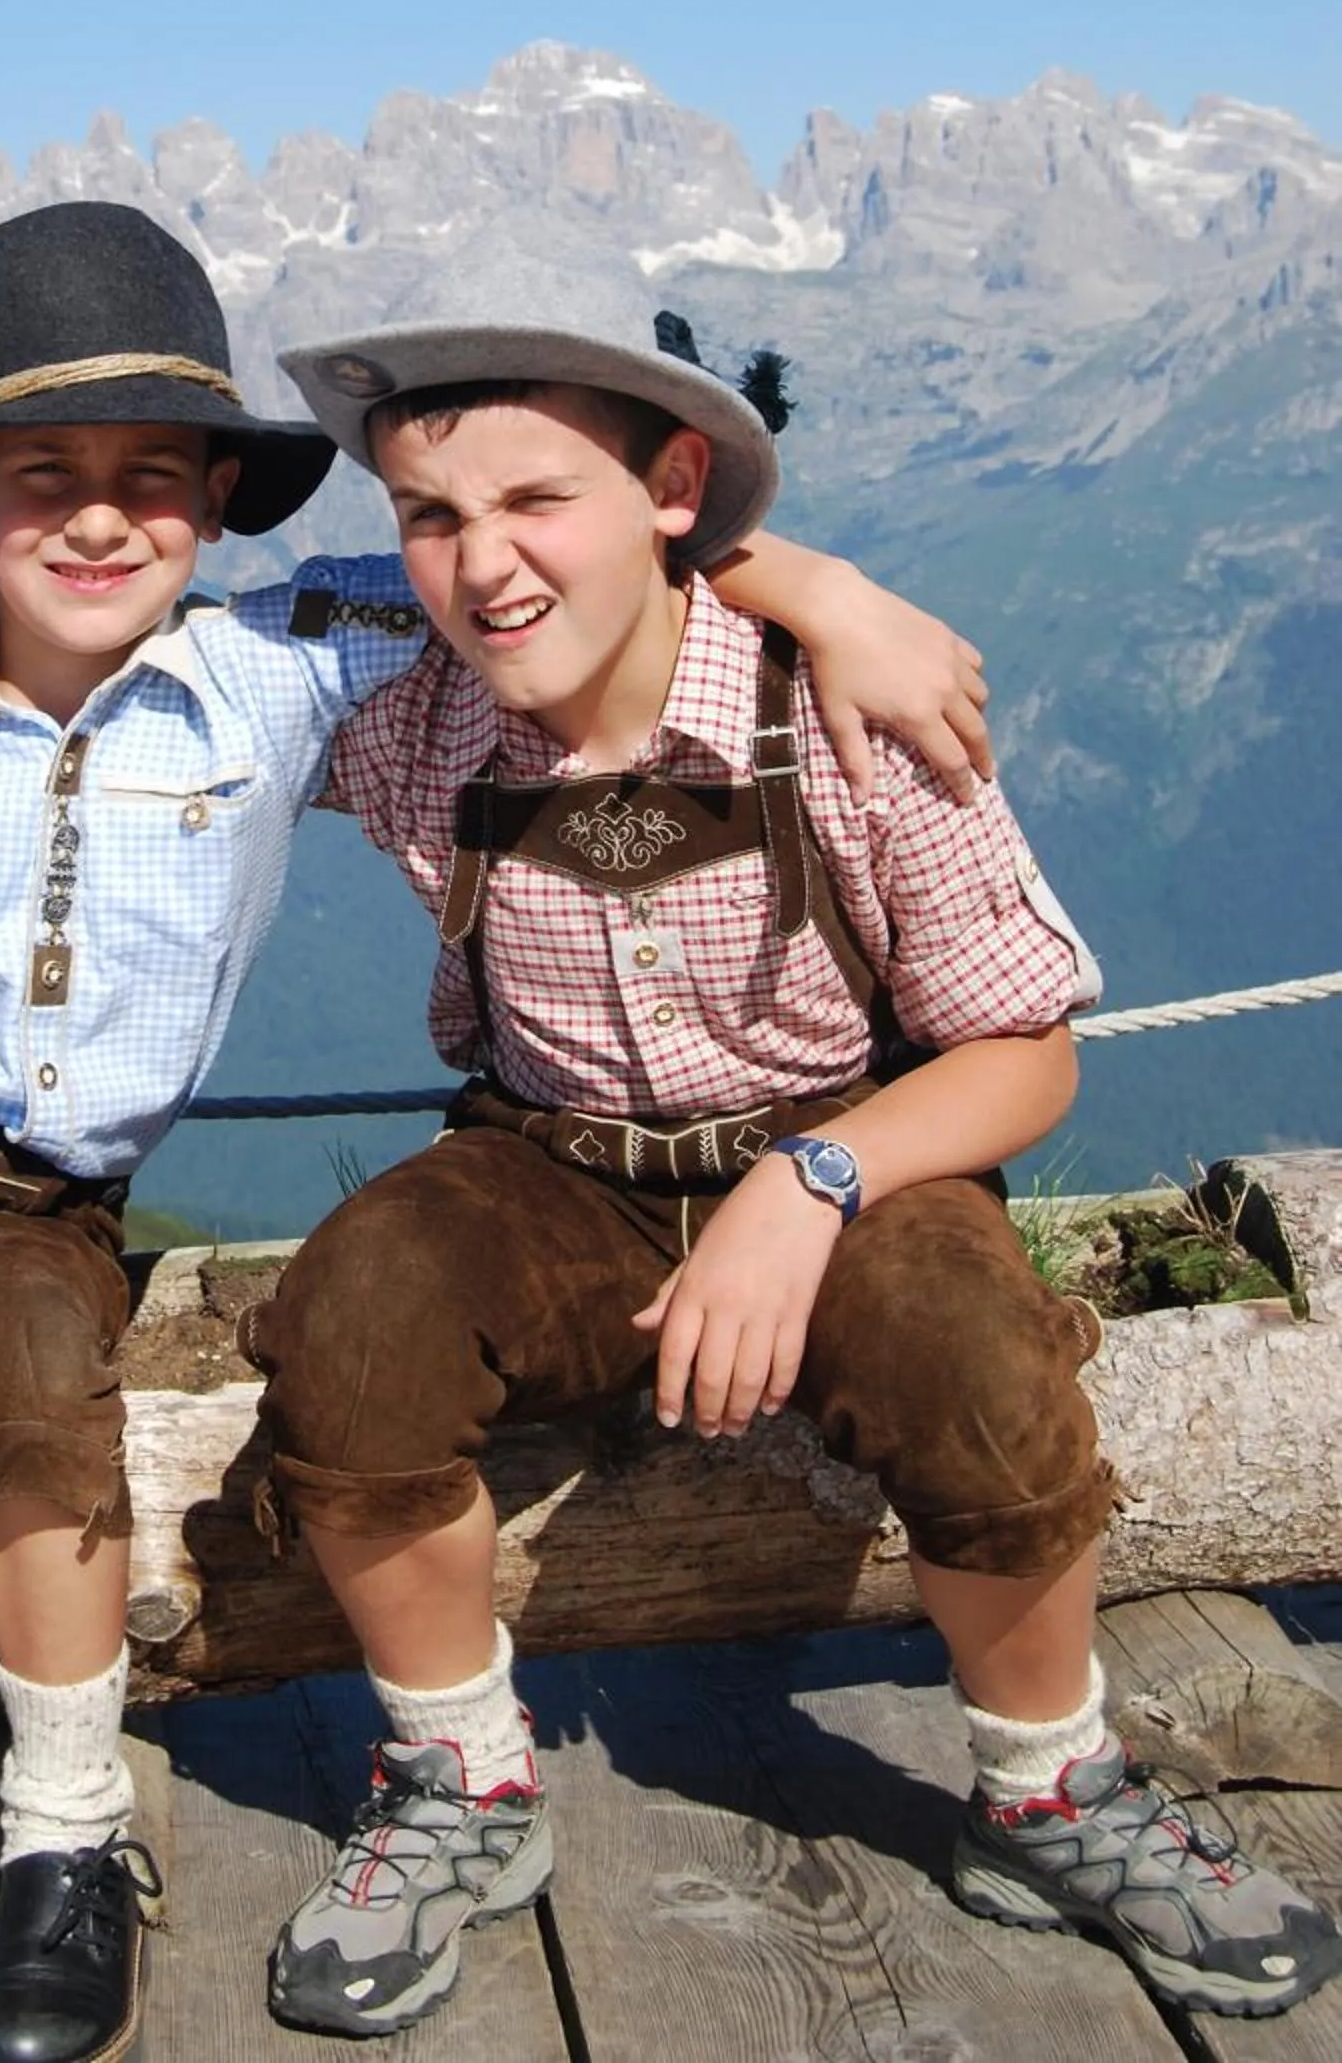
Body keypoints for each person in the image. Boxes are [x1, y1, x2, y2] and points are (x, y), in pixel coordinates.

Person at [0, 203, 978, 2063]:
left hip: (28, 1194)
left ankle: (68, 1843)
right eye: (42, 481)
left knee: (37, 1400)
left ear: (214, 502)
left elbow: (539, 569)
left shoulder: (285, 662)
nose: (98, 519)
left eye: (147, 478)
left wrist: (822, 589)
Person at [229, 266, 1342, 2036]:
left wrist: (811, 1183)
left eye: (536, 501)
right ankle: (459, 1777)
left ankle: (1049, 1788)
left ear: (671, 497)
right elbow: (120, 618)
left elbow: (1025, 1053)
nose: (482, 563)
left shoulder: (846, 711)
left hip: (852, 1142)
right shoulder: (403, 691)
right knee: (353, 1312)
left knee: (975, 1354)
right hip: (550, 1158)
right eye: (432, 519)